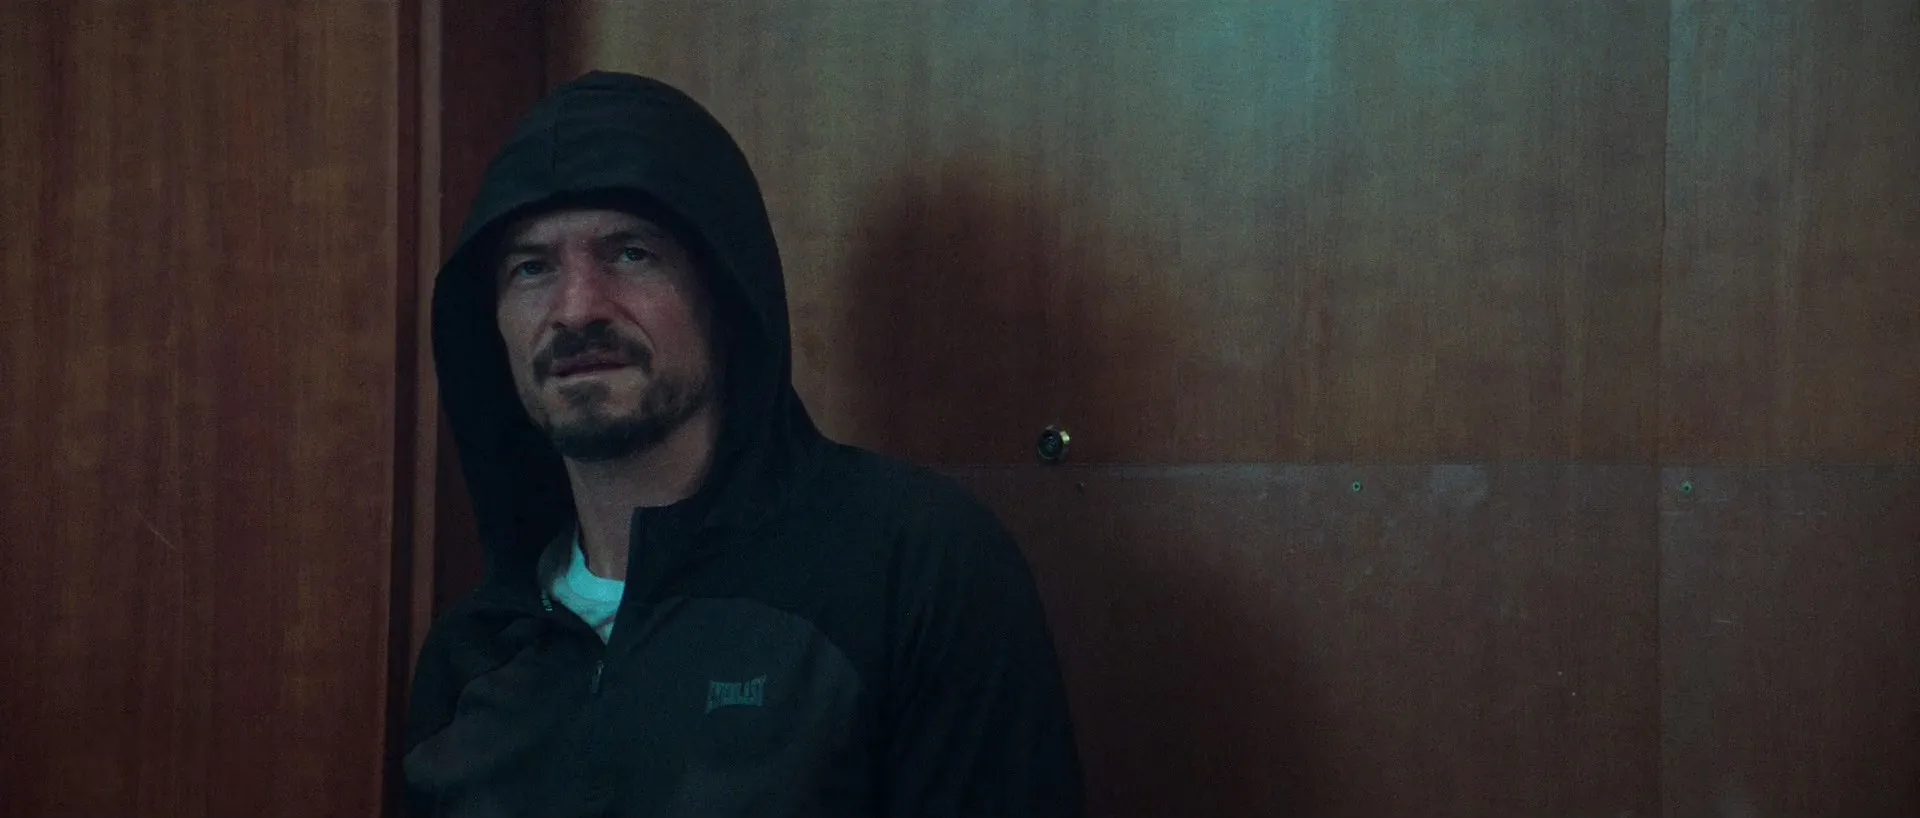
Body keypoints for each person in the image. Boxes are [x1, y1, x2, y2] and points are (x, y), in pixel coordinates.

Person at [401, 70, 1085, 818]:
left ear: (725, 289)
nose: (576, 309)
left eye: (631, 254)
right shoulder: (475, 655)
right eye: (532, 268)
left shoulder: (912, 570)